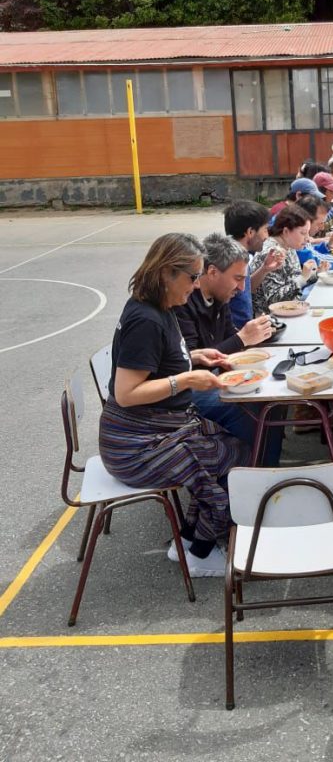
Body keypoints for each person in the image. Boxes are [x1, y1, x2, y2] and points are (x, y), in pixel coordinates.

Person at [98, 233, 247, 578]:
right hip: (133, 445)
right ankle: (199, 554)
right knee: (228, 457)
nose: (196, 286)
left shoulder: (160, 309)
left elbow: (158, 361)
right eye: (192, 277)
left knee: (233, 447)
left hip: (157, 428)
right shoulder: (146, 321)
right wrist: (187, 379)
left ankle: (191, 539)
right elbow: (126, 393)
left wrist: (194, 356)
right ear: (167, 273)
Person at [173, 233, 282, 463]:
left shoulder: (220, 297)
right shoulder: (181, 301)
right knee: (249, 410)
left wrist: (253, 337)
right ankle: (255, 470)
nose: (242, 288)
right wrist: (242, 339)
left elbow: (229, 340)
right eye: (238, 278)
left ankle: (267, 466)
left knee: (275, 400)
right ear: (212, 272)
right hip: (186, 391)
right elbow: (189, 364)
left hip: (210, 377)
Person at [223, 200, 284, 328]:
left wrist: (264, 269)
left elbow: (243, 289)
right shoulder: (229, 261)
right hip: (236, 332)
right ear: (250, 232)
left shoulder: (242, 255)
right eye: (265, 230)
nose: (267, 236)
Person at [249, 205, 318, 314]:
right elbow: (274, 301)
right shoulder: (272, 253)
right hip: (270, 317)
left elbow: (295, 280)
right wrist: (303, 278)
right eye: (303, 233)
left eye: (308, 233)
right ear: (286, 231)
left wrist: (316, 274)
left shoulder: (289, 246)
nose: (307, 238)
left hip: (292, 308)